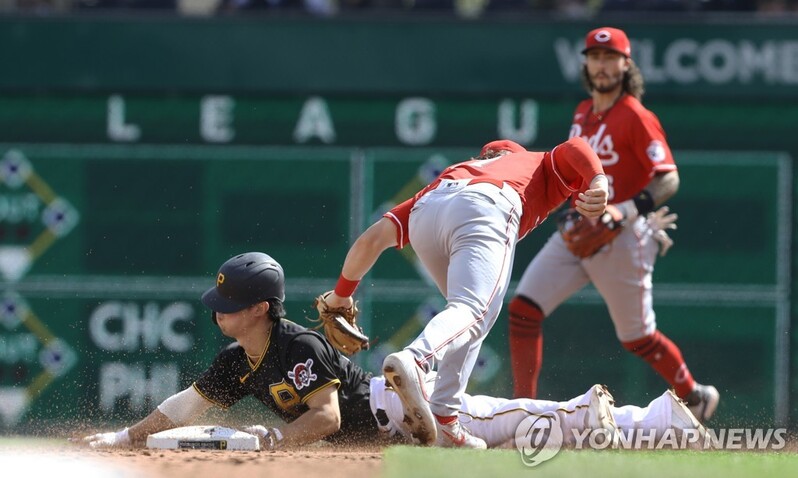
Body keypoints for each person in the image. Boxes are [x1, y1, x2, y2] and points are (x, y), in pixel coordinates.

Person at [82, 252, 705, 451]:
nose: (217, 310)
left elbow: (324, 418)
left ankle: (653, 419)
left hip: (393, 411)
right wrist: (125, 439)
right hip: (388, 427)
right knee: (506, 438)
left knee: (505, 424)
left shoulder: (296, 343)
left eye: (231, 301)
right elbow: (184, 407)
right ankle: (642, 423)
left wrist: (269, 443)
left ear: (262, 307)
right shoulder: (235, 359)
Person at [321, 136, 609, 448]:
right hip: (488, 204)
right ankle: (416, 360)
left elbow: (372, 240)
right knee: (474, 309)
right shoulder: (532, 163)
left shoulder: (454, 173)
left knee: (466, 319)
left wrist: (340, 295)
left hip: (426, 213)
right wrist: (599, 181)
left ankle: (445, 418)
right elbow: (574, 146)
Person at [507, 27, 719, 422]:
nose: (601, 65)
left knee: (636, 338)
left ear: (626, 64)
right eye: (595, 57)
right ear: (585, 62)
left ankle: (695, 395)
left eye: (610, 57)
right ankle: (523, 412)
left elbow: (669, 177)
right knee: (523, 309)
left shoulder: (636, 116)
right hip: (577, 230)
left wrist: (625, 210)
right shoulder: (583, 113)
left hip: (623, 234)